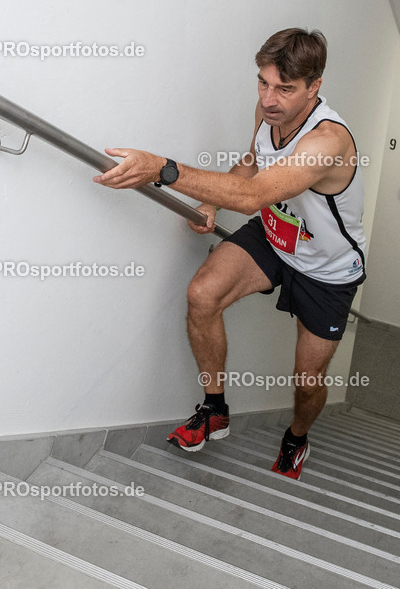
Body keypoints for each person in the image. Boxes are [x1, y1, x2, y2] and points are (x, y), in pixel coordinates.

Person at [93, 28, 366, 479]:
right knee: (202, 294)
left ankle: (297, 438)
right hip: (277, 234)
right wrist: (210, 201)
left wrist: (162, 169)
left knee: (306, 382)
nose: (270, 98)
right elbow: (253, 163)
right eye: (263, 82)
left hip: (328, 268)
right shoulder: (267, 112)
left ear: (314, 87)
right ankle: (214, 408)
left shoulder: (327, 143)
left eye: (285, 88)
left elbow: (252, 195)